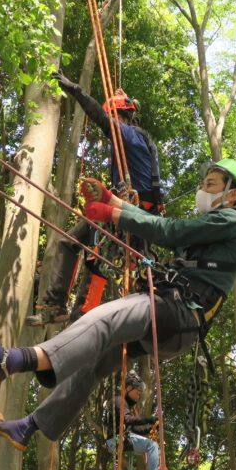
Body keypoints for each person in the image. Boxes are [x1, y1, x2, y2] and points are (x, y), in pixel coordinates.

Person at [0, 158, 236, 455]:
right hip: (177, 324)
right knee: (92, 363)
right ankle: (28, 428)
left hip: (177, 311)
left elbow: (169, 230)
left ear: (231, 195)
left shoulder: (231, 221)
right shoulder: (215, 229)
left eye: (210, 185)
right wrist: (112, 200)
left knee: (104, 319)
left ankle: (14, 361)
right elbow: (163, 228)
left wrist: (112, 213)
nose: (202, 190)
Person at [25, 70, 163, 327]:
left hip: (134, 210)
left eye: (114, 116)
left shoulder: (131, 136)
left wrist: (76, 90)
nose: (110, 121)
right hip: (118, 205)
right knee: (69, 243)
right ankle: (55, 306)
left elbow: (100, 119)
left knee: (96, 257)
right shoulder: (123, 146)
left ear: (124, 118)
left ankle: (82, 318)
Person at [102, 372, 170, 470]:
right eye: (137, 393)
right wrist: (150, 419)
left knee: (152, 447)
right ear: (128, 388)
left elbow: (133, 429)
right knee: (152, 446)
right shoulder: (118, 400)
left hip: (119, 439)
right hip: (117, 440)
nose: (138, 396)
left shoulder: (123, 403)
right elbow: (127, 420)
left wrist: (151, 428)